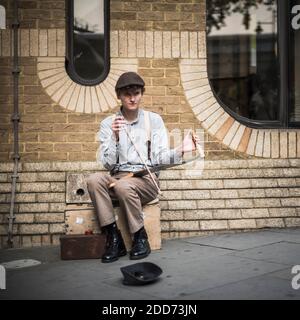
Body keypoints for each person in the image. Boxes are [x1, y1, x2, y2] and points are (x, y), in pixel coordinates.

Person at [87, 72, 199, 263]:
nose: (132, 98)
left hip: (145, 179)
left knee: (124, 186)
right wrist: (114, 136)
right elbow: (108, 164)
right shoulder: (108, 124)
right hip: (119, 177)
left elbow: (159, 158)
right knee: (94, 180)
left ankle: (140, 238)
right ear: (119, 96)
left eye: (137, 93)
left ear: (141, 93)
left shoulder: (153, 121)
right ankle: (114, 239)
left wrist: (181, 149)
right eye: (127, 94)